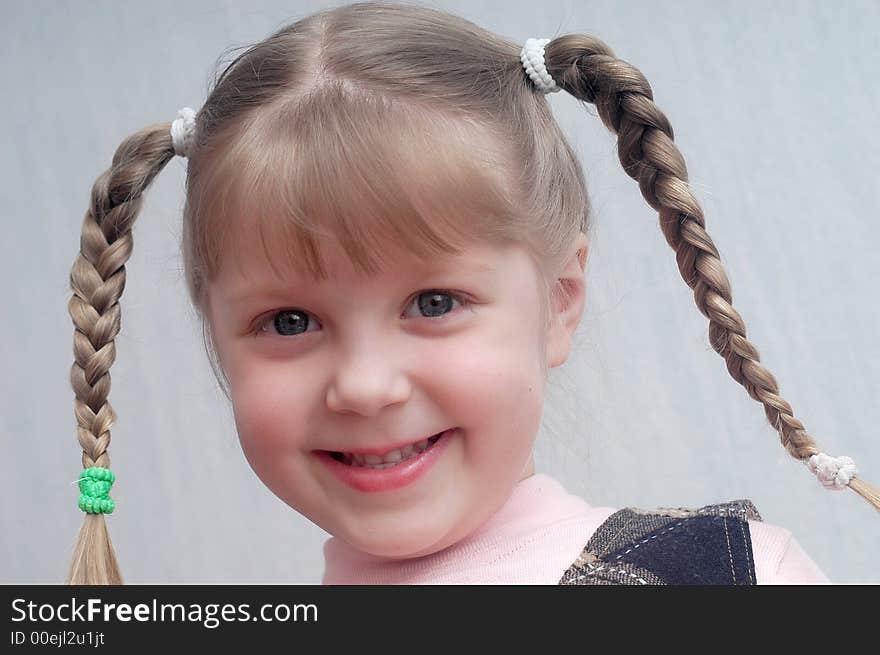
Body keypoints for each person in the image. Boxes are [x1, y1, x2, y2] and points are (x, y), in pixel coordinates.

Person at [65, 1, 878, 585]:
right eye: (289, 320)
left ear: (559, 298)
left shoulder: (723, 581)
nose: (365, 385)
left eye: (433, 302)